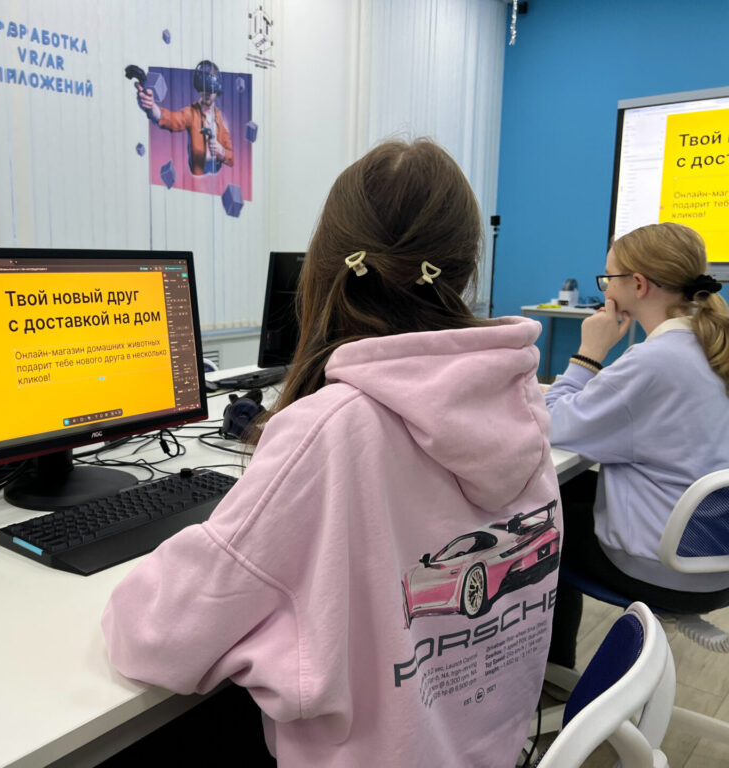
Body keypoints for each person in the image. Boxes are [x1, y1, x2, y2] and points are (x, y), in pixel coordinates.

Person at [101, 139, 560, 766]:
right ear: (464, 268)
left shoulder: (331, 429)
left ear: (325, 261)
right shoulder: (519, 399)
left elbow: (154, 639)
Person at [544, 221, 729, 668]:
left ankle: (552, 675)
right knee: (572, 491)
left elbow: (549, 423)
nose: (605, 289)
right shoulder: (712, 345)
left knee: (540, 522)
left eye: (607, 279)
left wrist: (588, 353)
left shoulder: (653, 361)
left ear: (638, 285)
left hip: (662, 570)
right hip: (716, 559)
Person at [137, 60, 233, 176]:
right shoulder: (191, 113)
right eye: (204, 89)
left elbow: (231, 158)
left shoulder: (221, 117)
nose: (206, 93)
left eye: (210, 90)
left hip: (217, 172)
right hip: (197, 175)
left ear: (217, 91)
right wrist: (151, 106)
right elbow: (170, 120)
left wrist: (221, 151)